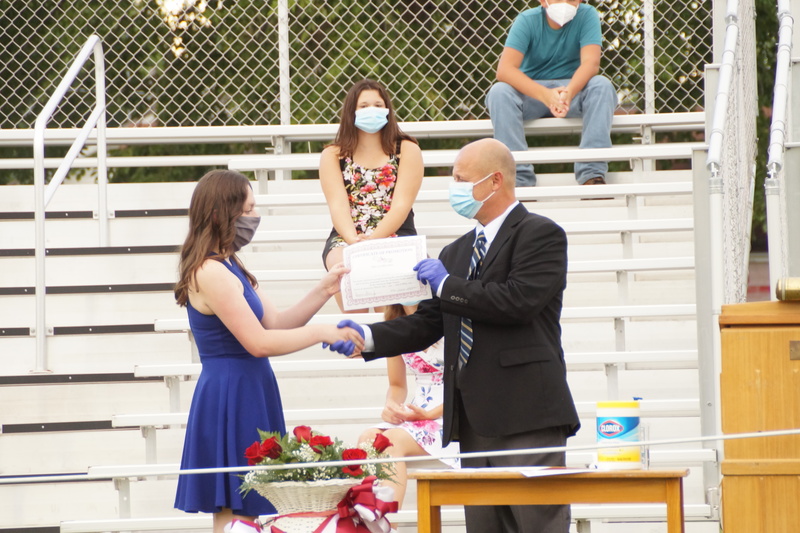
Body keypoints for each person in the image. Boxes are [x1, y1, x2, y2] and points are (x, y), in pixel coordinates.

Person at [331, 139, 580, 532]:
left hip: (527, 411)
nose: (455, 187)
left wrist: (448, 286)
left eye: (462, 179)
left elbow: (518, 301)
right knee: (485, 525)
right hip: (473, 419)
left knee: (537, 523)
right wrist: (368, 336)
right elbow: (428, 323)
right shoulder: (456, 251)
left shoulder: (540, 234)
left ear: (495, 181)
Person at [172, 170, 363, 533]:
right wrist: (322, 332)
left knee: (254, 507)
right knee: (235, 510)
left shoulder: (230, 265)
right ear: (221, 215)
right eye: (248, 209)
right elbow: (258, 343)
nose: (254, 217)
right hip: (231, 393)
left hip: (250, 388)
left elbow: (275, 323)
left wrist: (323, 291)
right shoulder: (210, 272)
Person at [485, 0, 617, 187]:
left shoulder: (588, 15)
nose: (564, 3)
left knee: (602, 86)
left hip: (572, 90)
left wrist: (569, 92)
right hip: (532, 93)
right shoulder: (526, 20)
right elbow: (504, 70)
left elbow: (591, 63)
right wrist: (546, 95)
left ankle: (591, 174)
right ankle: (518, 179)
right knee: (499, 92)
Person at [320, 79, 424, 312]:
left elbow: (401, 206)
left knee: (395, 286)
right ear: (351, 112)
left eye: (378, 105)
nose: (372, 110)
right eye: (364, 106)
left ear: (388, 110)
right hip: (348, 237)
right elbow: (338, 205)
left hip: (396, 234)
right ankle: (358, 345)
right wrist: (355, 243)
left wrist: (375, 240)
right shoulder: (332, 154)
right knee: (343, 267)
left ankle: (395, 345)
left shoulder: (406, 149)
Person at [357, 303, 459, 508]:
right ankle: (372, 524)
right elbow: (397, 385)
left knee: (391, 441)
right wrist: (391, 406)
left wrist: (430, 414)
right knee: (367, 438)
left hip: (454, 409)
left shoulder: (449, 316)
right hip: (418, 410)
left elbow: (470, 382)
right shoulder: (395, 324)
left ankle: (389, 524)